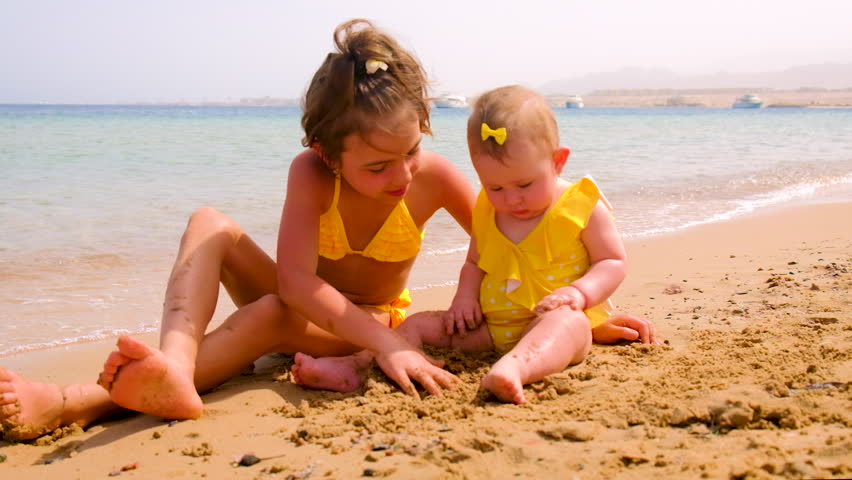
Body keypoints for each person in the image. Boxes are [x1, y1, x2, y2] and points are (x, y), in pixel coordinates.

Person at [0, 18, 475, 442]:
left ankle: (74, 402)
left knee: (269, 314)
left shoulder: (433, 177)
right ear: (327, 154)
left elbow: (506, 234)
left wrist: (463, 301)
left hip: (369, 324)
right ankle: (177, 368)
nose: (402, 175)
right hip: (301, 301)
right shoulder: (311, 173)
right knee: (209, 223)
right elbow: (297, 283)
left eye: (410, 151)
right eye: (377, 167)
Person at [291, 85, 661, 404]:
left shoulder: (581, 205)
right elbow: (475, 264)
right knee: (418, 324)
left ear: (558, 161)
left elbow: (612, 262)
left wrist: (581, 296)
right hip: (489, 326)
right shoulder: (489, 209)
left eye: (525, 185)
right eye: (495, 187)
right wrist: (464, 300)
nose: (511, 199)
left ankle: (515, 368)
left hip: (548, 319)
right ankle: (357, 367)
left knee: (567, 326)